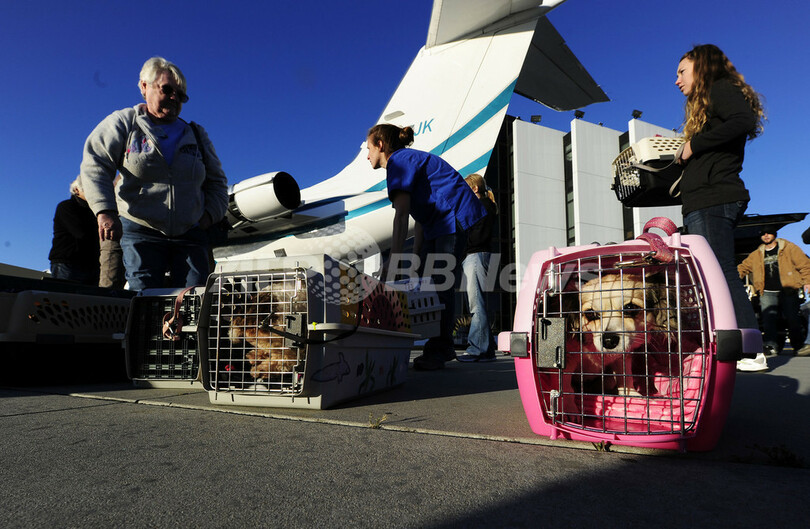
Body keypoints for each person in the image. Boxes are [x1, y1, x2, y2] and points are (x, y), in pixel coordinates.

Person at [80, 56, 228, 291]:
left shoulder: (196, 135)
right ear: (144, 86)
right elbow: (95, 163)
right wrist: (105, 211)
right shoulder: (124, 123)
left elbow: (217, 183)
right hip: (140, 229)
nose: (173, 98)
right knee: (145, 300)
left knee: (195, 301)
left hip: (190, 233)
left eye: (181, 96)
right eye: (167, 89)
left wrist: (208, 217)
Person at [674, 44, 767, 371]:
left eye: (681, 72)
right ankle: (729, 345)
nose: (677, 81)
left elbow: (742, 120)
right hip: (703, 199)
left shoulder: (719, 88)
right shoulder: (706, 103)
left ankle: (751, 348)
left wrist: (694, 145)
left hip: (715, 197)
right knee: (708, 276)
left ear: (701, 67)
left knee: (721, 271)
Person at [367, 124, 487, 370]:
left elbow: (401, 217)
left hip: (452, 217)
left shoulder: (399, 162)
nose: (366, 155)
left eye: (368, 148)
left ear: (380, 145)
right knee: (429, 279)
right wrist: (415, 258)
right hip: (439, 222)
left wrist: (395, 260)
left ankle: (441, 347)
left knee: (440, 281)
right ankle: (439, 344)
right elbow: (418, 217)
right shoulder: (407, 161)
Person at [738, 228, 810, 356]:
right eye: (763, 234)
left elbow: (804, 264)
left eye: (768, 233)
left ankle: (798, 346)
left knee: (793, 318)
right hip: (766, 291)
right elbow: (742, 268)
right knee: (768, 319)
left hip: (788, 289)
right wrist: (728, 279)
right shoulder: (756, 254)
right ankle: (771, 346)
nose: (766, 236)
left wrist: (807, 281)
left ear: (774, 234)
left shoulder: (789, 248)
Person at [457, 174, 498, 363]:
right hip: (479, 256)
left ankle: (476, 349)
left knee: (477, 305)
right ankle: (487, 350)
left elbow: (474, 235)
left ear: (474, 189)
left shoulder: (481, 207)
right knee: (479, 303)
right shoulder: (487, 207)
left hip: (476, 256)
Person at [48, 177, 100, 286]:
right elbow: (81, 233)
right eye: (89, 188)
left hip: (91, 264)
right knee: (65, 298)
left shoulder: (96, 211)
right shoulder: (66, 207)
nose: (94, 191)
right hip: (68, 263)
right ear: (76, 190)